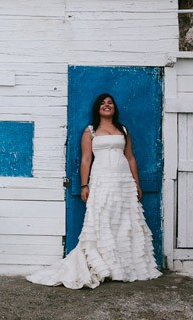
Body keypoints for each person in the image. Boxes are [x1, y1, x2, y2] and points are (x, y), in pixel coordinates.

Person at [26, 93, 162, 289]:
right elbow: (86, 160)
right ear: (97, 109)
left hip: (123, 181)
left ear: (114, 108)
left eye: (110, 103)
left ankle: (122, 267)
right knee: (102, 220)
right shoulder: (90, 131)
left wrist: (137, 184)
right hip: (101, 180)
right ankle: (105, 265)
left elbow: (131, 157)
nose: (107, 106)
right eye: (102, 103)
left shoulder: (123, 130)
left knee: (125, 221)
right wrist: (84, 185)